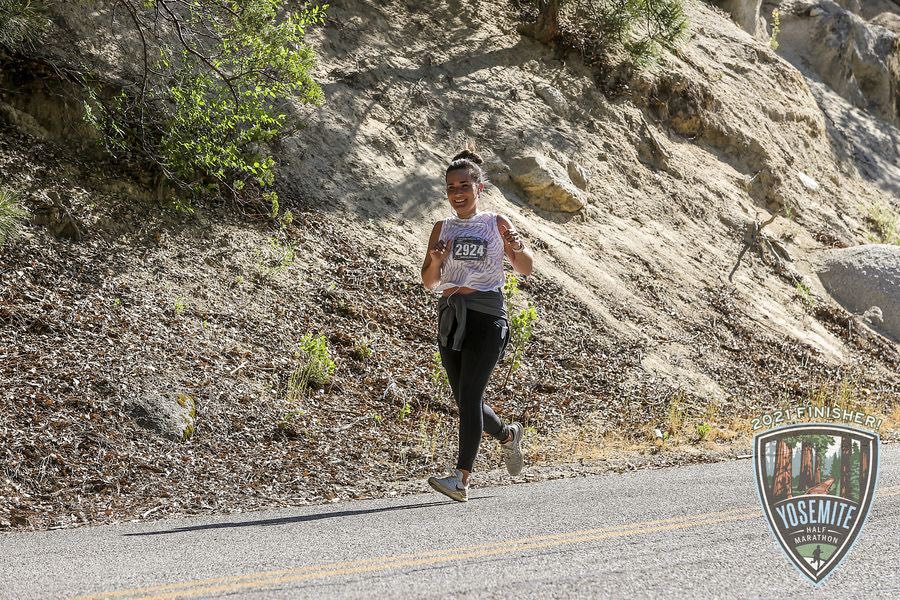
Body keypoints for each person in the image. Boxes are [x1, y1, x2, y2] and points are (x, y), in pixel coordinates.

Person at [420, 149, 535, 502]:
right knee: (464, 399)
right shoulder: (442, 228)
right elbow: (428, 281)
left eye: (464, 184)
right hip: (452, 316)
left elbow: (525, 267)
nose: (458, 192)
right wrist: (437, 259)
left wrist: (515, 249)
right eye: (451, 186)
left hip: (487, 316)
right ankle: (507, 435)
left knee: (470, 396)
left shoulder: (496, 223)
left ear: (479, 187)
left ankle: (461, 479)